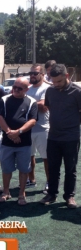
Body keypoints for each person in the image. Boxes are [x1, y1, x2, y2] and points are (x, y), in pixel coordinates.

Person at [40, 64, 81, 208]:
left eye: (59, 81)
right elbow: (49, 107)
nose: (56, 84)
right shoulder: (50, 91)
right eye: (53, 81)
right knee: (53, 167)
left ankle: (69, 196)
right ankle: (51, 194)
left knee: (70, 168)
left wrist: (71, 124)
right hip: (53, 137)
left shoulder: (77, 92)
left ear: (67, 76)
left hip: (71, 137)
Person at [0, 77, 37, 205]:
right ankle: (6, 192)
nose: (16, 90)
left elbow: (33, 120)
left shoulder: (31, 102)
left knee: (24, 169)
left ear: (26, 89)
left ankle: (21, 194)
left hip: (24, 143)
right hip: (7, 142)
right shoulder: (4, 99)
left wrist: (18, 132)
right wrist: (10, 133)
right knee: (6, 169)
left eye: (20, 88)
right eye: (14, 87)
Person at [26, 64, 50, 193]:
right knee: (29, 156)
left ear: (42, 75)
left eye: (35, 73)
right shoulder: (28, 90)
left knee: (47, 158)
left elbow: (44, 106)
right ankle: (32, 180)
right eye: (31, 73)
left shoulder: (47, 88)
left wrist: (29, 103)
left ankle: (49, 183)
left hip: (43, 129)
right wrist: (36, 103)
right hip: (29, 129)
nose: (32, 76)